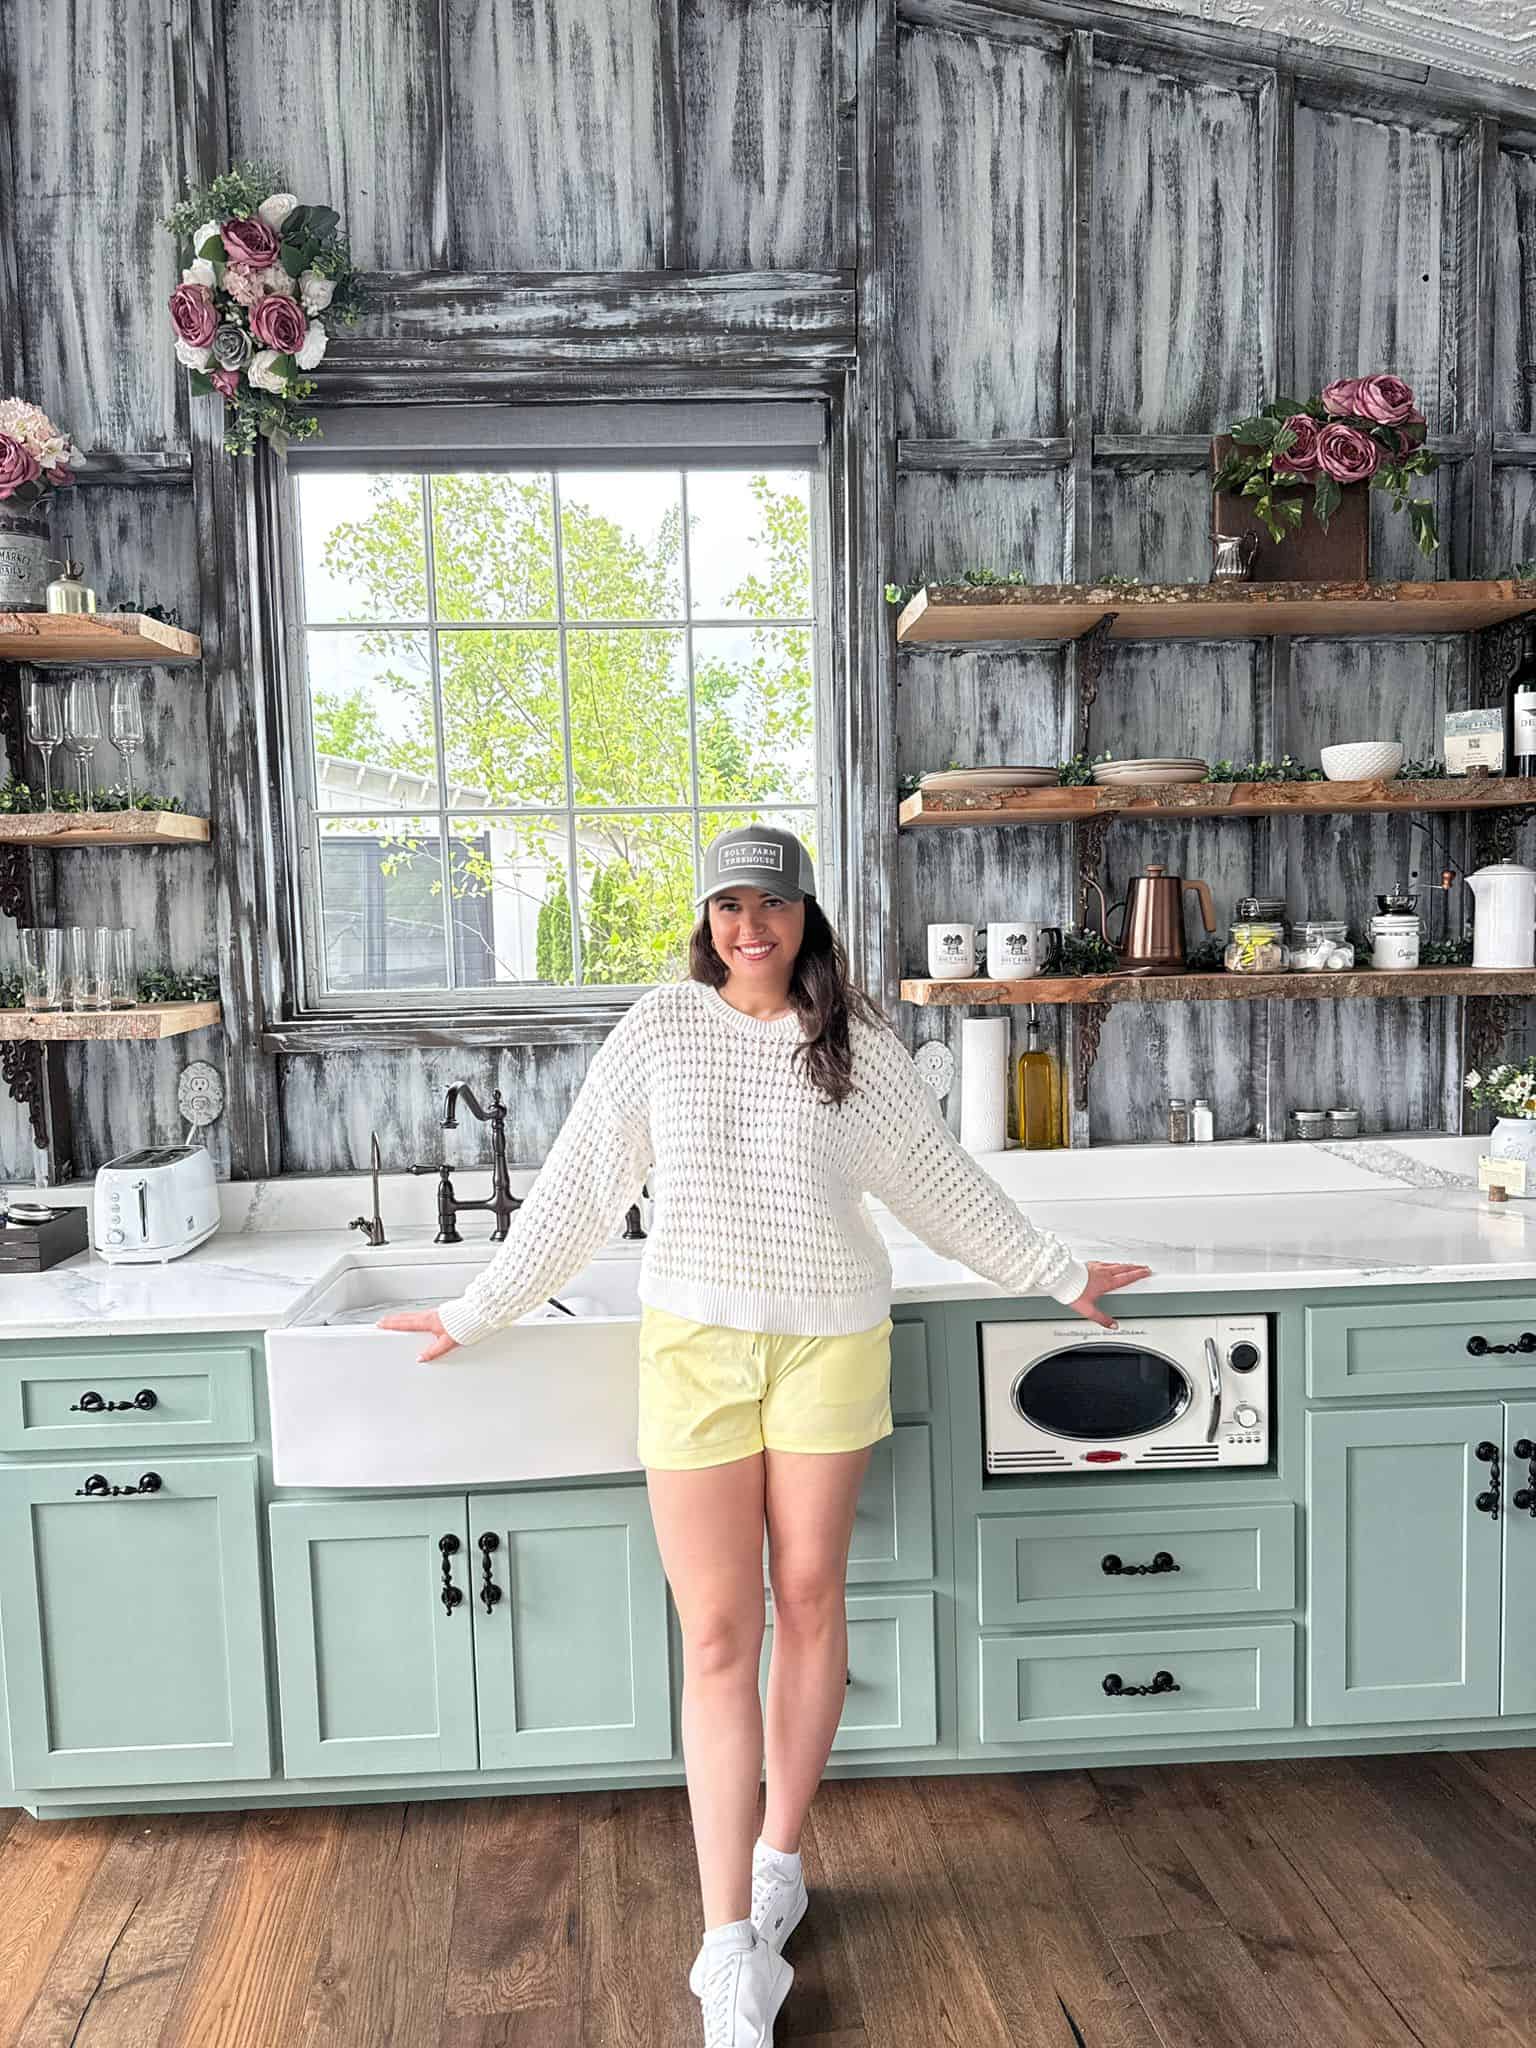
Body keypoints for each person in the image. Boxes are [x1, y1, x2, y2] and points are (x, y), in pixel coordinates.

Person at [380, 824, 1149, 2048]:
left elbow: (942, 1188)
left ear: (806, 917)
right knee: (720, 1631)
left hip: (831, 1345)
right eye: (730, 903)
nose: (753, 924)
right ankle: (726, 1939)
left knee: (811, 1595)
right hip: (694, 1351)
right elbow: (579, 1191)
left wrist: (1058, 1270)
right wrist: (477, 1308)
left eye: (773, 903)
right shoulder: (660, 1029)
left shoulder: (864, 1045)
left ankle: (781, 1853)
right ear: (705, 917)